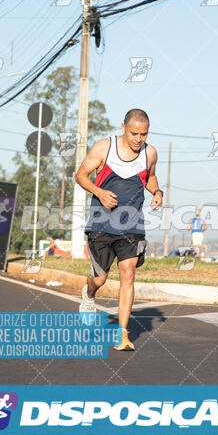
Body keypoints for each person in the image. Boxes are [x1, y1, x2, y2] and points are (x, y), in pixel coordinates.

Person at [75, 109, 163, 351]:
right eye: (134, 133)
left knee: (128, 272)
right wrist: (100, 192)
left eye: (143, 134)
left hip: (132, 224)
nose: (138, 139)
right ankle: (89, 294)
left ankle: (123, 334)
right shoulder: (104, 148)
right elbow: (80, 175)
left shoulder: (150, 153)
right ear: (123, 127)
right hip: (101, 222)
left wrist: (157, 192)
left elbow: (150, 178)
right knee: (100, 278)